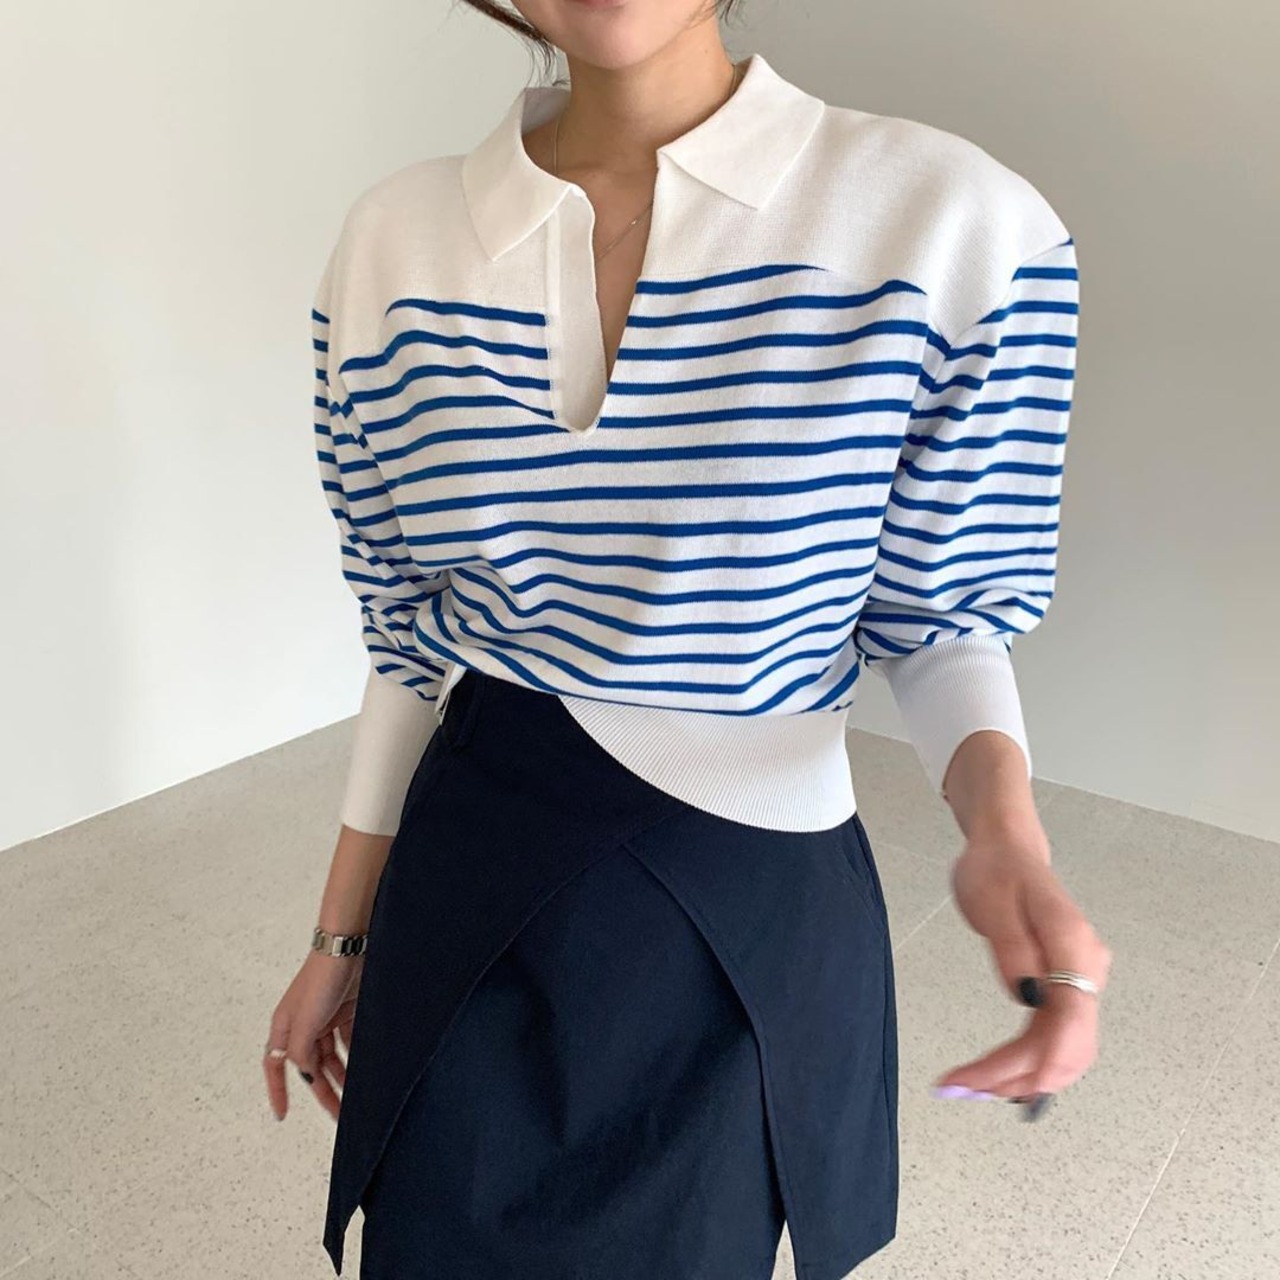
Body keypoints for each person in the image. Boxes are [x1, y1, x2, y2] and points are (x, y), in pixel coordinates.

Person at [264, 2, 1113, 1277]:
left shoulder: (954, 224)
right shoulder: (394, 240)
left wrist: (1004, 832)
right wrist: (338, 938)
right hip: (468, 874)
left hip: (743, 892)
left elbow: (938, 615)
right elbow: (405, 635)